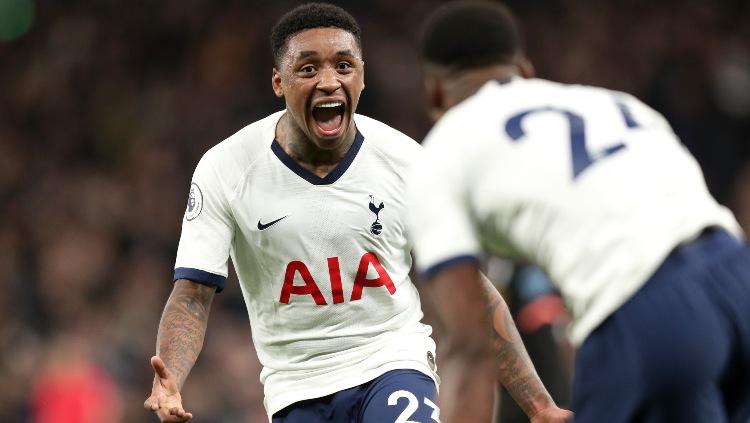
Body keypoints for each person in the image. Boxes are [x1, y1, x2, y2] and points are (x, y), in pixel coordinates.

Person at [143, 3, 570, 422]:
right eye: (308, 69)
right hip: (296, 385)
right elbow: (193, 294)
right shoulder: (227, 168)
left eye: (344, 66)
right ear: (278, 82)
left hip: (393, 363)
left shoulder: (407, 163)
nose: (329, 81)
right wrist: (171, 379)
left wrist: (539, 406)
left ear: (362, 76)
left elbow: (471, 288)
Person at [408, 2, 750, 423]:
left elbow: (468, 349)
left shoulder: (443, 153)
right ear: (525, 71)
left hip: (645, 310)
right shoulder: (617, 103)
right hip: (738, 276)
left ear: (435, 93)